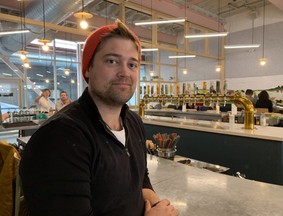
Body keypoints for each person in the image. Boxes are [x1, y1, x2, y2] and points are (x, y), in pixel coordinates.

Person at [20, 19, 179, 216]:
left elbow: (140, 180)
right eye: (112, 61)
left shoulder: (133, 122)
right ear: (88, 68)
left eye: (132, 64)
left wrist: (157, 205)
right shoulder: (60, 137)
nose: (124, 73)